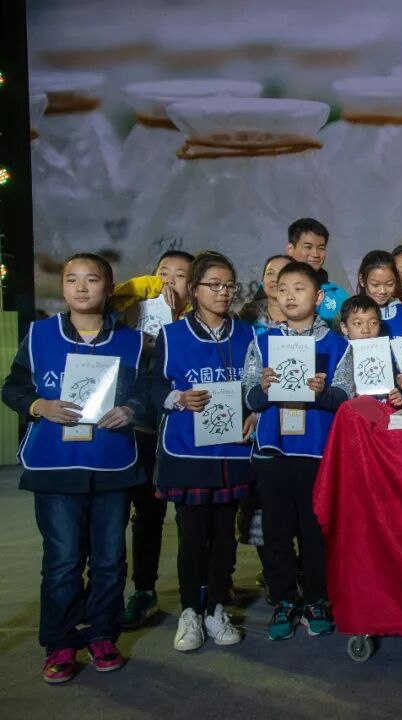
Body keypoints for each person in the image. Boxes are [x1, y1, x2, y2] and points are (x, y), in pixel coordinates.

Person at [2, 253, 148, 683]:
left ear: (109, 287)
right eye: (72, 279)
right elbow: (13, 387)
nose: (81, 287)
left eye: (92, 279)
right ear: (63, 287)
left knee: (109, 560)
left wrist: (130, 409)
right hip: (55, 465)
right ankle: (60, 642)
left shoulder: (133, 341)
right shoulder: (39, 334)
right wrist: (38, 405)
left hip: (111, 463)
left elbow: (147, 393)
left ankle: (102, 634)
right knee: (63, 560)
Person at [152, 251, 255, 652]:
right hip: (189, 452)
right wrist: (178, 398)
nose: (223, 292)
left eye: (229, 285)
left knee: (225, 538)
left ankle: (216, 608)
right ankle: (190, 612)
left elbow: (256, 389)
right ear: (194, 289)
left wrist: (256, 414)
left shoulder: (248, 334)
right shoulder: (171, 335)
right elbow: (153, 388)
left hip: (232, 452)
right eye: (214, 285)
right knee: (193, 536)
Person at [243, 261, 350, 641]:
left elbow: (346, 397)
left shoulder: (337, 344)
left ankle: (317, 598)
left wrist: (323, 393)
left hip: (317, 452)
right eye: (283, 288)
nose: (290, 295)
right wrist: (263, 389)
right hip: (274, 450)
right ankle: (285, 599)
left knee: (314, 531)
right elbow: (249, 398)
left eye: (299, 288)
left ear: (318, 297)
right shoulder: (261, 343)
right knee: (276, 531)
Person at [110, 249, 195, 629]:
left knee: (192, 517)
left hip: (185, 436)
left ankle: (203, 587)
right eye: (163, 273)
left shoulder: (194, 325)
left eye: (179, 276)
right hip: (143, 433)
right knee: (146, 516)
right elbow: (110, 305)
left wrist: (173, 324)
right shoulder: (133, 320)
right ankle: (143, 590)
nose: (168, 283)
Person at [332, 294, 402, 409]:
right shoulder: (338, 355)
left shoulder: (386, 355)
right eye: (358, 323)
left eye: (373, 323)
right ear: (344, 328)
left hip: (383, 416)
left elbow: (397, 396)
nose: (366, 330)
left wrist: (399, 400)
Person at [284, 218, 349, 325]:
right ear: (290, 249)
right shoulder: (272, 290)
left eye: (321, 248)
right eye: (308, 247)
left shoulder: (339, 296)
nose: (315, 254)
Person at [356, 250, 402, 339]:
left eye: (389, 284)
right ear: (362, 280)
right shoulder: (351, 314)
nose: (382, 291)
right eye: (375, 284)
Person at [238, 255, 291, 335]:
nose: (275, 279)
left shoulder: (307, 322)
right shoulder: (245, 319)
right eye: (270, 273)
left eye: (283, 273)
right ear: (263, 280)